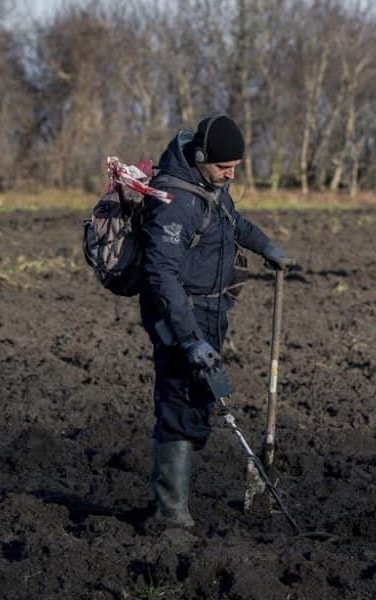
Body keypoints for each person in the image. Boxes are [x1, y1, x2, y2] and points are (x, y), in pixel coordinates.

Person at [138, 114, 293, 528]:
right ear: (201, 156)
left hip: (211, 310)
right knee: (179, 398)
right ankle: (170, 513)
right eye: (224, 167)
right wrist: (190, 340)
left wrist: (265, 246)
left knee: (200, 398)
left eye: (236, 168)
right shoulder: (174, 202)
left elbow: (232, 222)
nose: (230, 174)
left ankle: (170, 500)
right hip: (179, 316)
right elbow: (160, 276)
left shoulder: (212, 187)